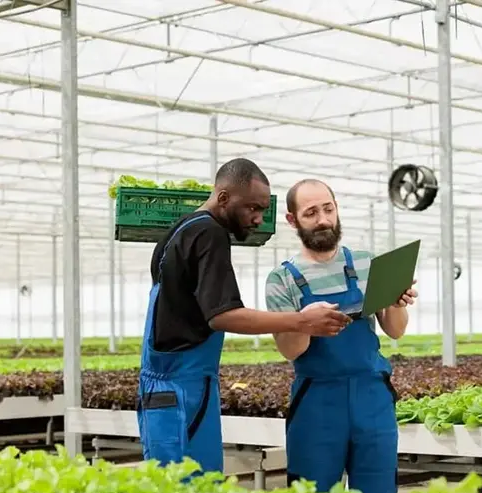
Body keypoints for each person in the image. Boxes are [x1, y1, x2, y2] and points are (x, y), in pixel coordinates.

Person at [138, 158, 351, 476]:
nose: (257, 218)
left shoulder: (181, 230)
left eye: (262, 210)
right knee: (190, 492)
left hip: (166, 387)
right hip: (183, 389)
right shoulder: (210, 234)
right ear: (223, 198)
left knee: (172, 490)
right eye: (252, 208)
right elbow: (224, 316)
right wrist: (302, 321)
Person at [264, 178, 418, 493]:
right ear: (293, 220)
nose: (322, 219)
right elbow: (291, 349)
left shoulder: (366, 263)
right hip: (318, 401)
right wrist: (306, 320)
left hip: (372, 396)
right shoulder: (282, 279)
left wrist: (396, 299)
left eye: (328, 209)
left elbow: (395, 329)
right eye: (311, 213)